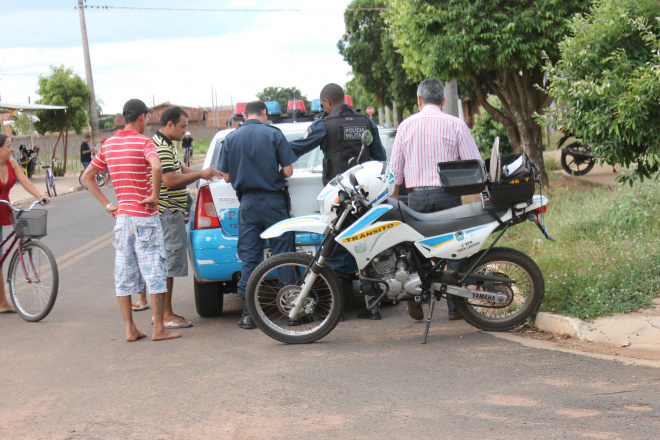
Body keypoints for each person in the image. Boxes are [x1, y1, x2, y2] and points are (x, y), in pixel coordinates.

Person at [81, 98, 180, 342]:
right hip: (145, 217)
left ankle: (130, 329)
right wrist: (154, 196)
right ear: (141, 117)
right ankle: (159, 329)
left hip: (122, 218)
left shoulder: (109, 145)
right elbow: (156, 167)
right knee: (155, 271)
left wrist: (107, 204)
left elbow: (87, 176)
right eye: (146, 118)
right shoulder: (144, 142)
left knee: (123, 273)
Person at [389, 78, 483, 322]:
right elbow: (475, 165)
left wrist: (393, 202)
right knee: (455, 249)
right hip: (448, 197)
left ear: (419, 100)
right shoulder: (456, 125)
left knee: (417, 250)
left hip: (417, 197)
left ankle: (418, 297)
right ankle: (455, 308)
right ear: (443, 101)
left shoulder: (405, 126)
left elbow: (395, 174)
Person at [291, 83, 387, 320]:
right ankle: (373, 308)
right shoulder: (366, 121)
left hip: (338, 198)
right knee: (366, 247)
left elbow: (296, 149)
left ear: (326, 102)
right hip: (365, 198)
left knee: (334, 250)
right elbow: (381, 157)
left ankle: (337, 311)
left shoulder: (324, 125)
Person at [130, 106, 220, 328]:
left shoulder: (165, 144)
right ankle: (165, 316)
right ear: (169, 124)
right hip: (167, 214)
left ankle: (164, 314)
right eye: (182, 126)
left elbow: (177, 167)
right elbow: (169, 180)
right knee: (167, 265)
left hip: (171, 213)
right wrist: (200, 174)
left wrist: (204, 172)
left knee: (166, 264)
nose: (185, 131)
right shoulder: (160, 146)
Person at [219, 101, 297, 329]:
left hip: (248, 204)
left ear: (243, 115)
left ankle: (247, 314)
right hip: (274, 203)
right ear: (264, 113)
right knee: (283, 255)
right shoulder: (274, 134)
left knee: (250, 258)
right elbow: (289, 171)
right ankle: (292, 310)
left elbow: (225, 177)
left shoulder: (231, 138)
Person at [0, 134, 50, 314]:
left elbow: (25, 182)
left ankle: (3, 303)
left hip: (4, 208)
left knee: (17, 241)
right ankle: (3, 302)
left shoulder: (12, 164)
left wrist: (40, 196)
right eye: (8, 146)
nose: (12, 149)